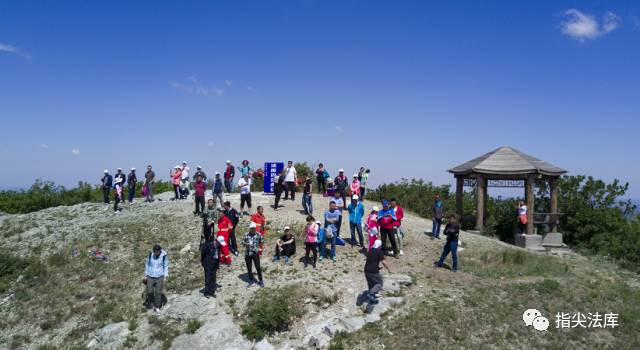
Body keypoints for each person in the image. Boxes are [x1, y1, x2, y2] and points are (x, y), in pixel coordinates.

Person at [364, 239, 392, 305]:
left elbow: (371, 261)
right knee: (380, 283)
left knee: (371, 285)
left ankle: (372, 300)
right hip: (373, 271)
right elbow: (383, 262)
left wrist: (378, 267)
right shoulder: (379, 251)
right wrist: (389, 269)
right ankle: (371, 294)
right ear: (379, 246)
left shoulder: (370, 250)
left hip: (366, 270)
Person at [144, 244, 169, 313]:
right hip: (150, 275)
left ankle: (157, 306)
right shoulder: (150, 255)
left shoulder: (163, 256)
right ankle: (151, 301)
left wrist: (165, 276)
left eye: (157, 251)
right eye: (154, 251)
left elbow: (166, 266)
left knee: (158, 291)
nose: (155, 253)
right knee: (149, 290)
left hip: (159, 276)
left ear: (160, 251)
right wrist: (146, 275)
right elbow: (147, 264)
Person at [243, 222, 265, 287]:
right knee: (249, 268)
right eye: (251, 228)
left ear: (255, 228)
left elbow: (262, 241)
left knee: (258, 267)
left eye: (254, 228)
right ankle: (251, 280)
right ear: (250, 228)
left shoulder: (258, 234)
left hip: (255, 253)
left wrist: (260, 248)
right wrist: (246, 244)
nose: (253, 229)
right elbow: (242, 242)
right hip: (247, 254)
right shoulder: (246, 234)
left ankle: (260, 280)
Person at [200, 234, 220, 298]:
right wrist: (203, 263)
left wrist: (217, 265)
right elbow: (203, 254)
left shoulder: (218, 246)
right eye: (219, 243)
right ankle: (206, 292)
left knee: (213, 279)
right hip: (208, 264)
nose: (220, 244)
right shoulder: (207, 245)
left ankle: (212, 292)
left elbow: (218, 256)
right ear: (216, 241)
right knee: (208, 278)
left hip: (215, 264)